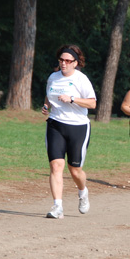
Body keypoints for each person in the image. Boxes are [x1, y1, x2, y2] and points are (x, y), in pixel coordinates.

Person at [41, 45, 97, 219]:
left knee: (75, 170)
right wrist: (46, 105)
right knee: (56, 166)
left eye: (67, 61)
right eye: (61, 60)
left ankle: (82, 192)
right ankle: (57, 207)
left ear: (75, 63)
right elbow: (49, 95)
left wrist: (72, 99)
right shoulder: (53, 77)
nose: (63, 63)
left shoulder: (81, 79)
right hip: (55, 124)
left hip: (78, 127)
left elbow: (92, 103)